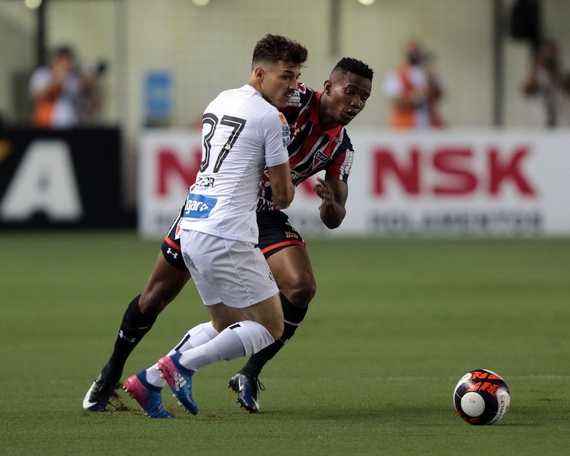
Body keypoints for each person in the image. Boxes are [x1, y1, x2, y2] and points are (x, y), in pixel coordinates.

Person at [82, 53, 374, 416]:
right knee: (154, 298)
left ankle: (249, 372)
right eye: (351, 92)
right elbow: (247, 101)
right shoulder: (293, 96)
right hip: (221, 205)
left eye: (364, 98)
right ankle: (111, 372)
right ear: (329, 87)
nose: (356, 103)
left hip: (264, 215)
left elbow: (335, 215)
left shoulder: (341, 148)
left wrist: (331, 204)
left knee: (301, 288)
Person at [29, 45, 100, 128]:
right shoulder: (42, 74)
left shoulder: (73, 78)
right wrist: (56, 80)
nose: (68, 64)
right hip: (46, 124)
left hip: (71, 125)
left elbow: (93, 105)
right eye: (65, 60)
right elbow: (36, 97)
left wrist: (88, 86)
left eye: (70, 60)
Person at [383, 38, 444, 129]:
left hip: (430, 125)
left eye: (415, 50)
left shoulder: (429, 72)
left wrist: (430, 81)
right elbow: (396, 102)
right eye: (410, 51)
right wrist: (418, 96)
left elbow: (439, 94)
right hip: (406, 127)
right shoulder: (396, 74)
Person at [521, 38, 570, 128]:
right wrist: (537, 65)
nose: (549, 57)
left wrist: (555, 70)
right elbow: (526, 90)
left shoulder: (568, 76)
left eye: (552, 53)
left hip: (564, 126)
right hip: (539, 127)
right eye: (545, 53)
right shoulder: (537, 77)